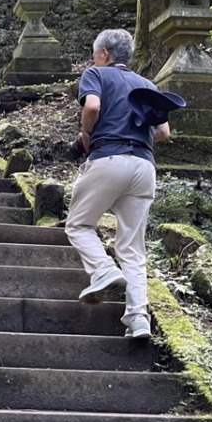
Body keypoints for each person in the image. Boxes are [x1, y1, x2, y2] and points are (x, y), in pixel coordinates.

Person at [64, 29, 171, 340]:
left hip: (109, 158)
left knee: (79, 225)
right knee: (133, 249)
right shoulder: (148, 85)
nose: (93, 58)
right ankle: (139, 320)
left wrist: (87, 135)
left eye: (94, 53)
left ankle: (103, 270)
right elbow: (163, 132)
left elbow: (93, 107)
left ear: (105, 55)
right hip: (144, 166)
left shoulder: (96, 74)